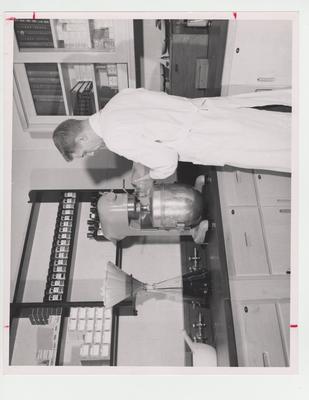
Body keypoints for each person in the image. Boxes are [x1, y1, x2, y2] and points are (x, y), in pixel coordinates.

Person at [53, 87, 292, 193]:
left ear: (82, 138)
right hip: (207, 111)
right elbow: (157, 111)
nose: (91, 154)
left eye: (84, 152)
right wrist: (140, 160)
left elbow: (167, 160)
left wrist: (150, 178)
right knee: (275, 125)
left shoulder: (114, 139)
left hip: (208, 138)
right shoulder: (118, 99)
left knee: (280, 150)